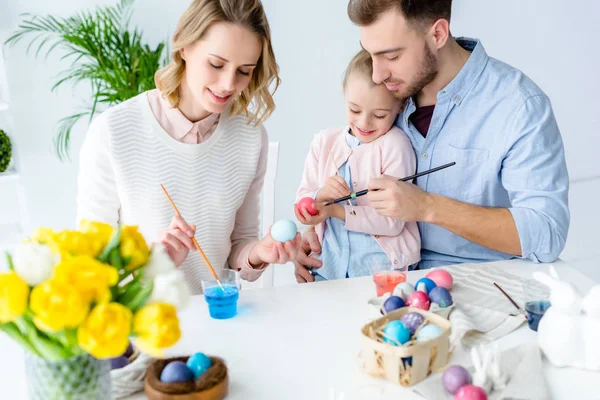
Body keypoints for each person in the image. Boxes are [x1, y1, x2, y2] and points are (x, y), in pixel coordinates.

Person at [294, 0, 569, 281]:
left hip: (482, 284)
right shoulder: (383, 101)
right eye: (370, 54)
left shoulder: (518, 105)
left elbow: (547, 232)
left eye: (392, 56)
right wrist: (318, 236)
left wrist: (428, 206)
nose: (377, 74)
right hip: (376, 283)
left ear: (437, 34)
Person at [76, 0, 300, 294]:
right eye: (216, 64)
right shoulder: (113, 131)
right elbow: (90, 262)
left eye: (244, 71)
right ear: (184, 46)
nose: (228, 84)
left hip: (216, 316)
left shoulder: (250, 137)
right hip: (140, 323)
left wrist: (259, 253)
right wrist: (150, 264)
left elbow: (238, 249)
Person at [294, 50, 420, 281]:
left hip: (381, 272)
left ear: (401, 106)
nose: (364, 122)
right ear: (344, 93)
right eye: (354, 109)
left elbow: (393, 221)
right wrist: (320, 196)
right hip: (327, 268)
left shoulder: (395, 145)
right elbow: (302, 202)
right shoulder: (324, 142)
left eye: (380, 115)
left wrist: (335, 210)